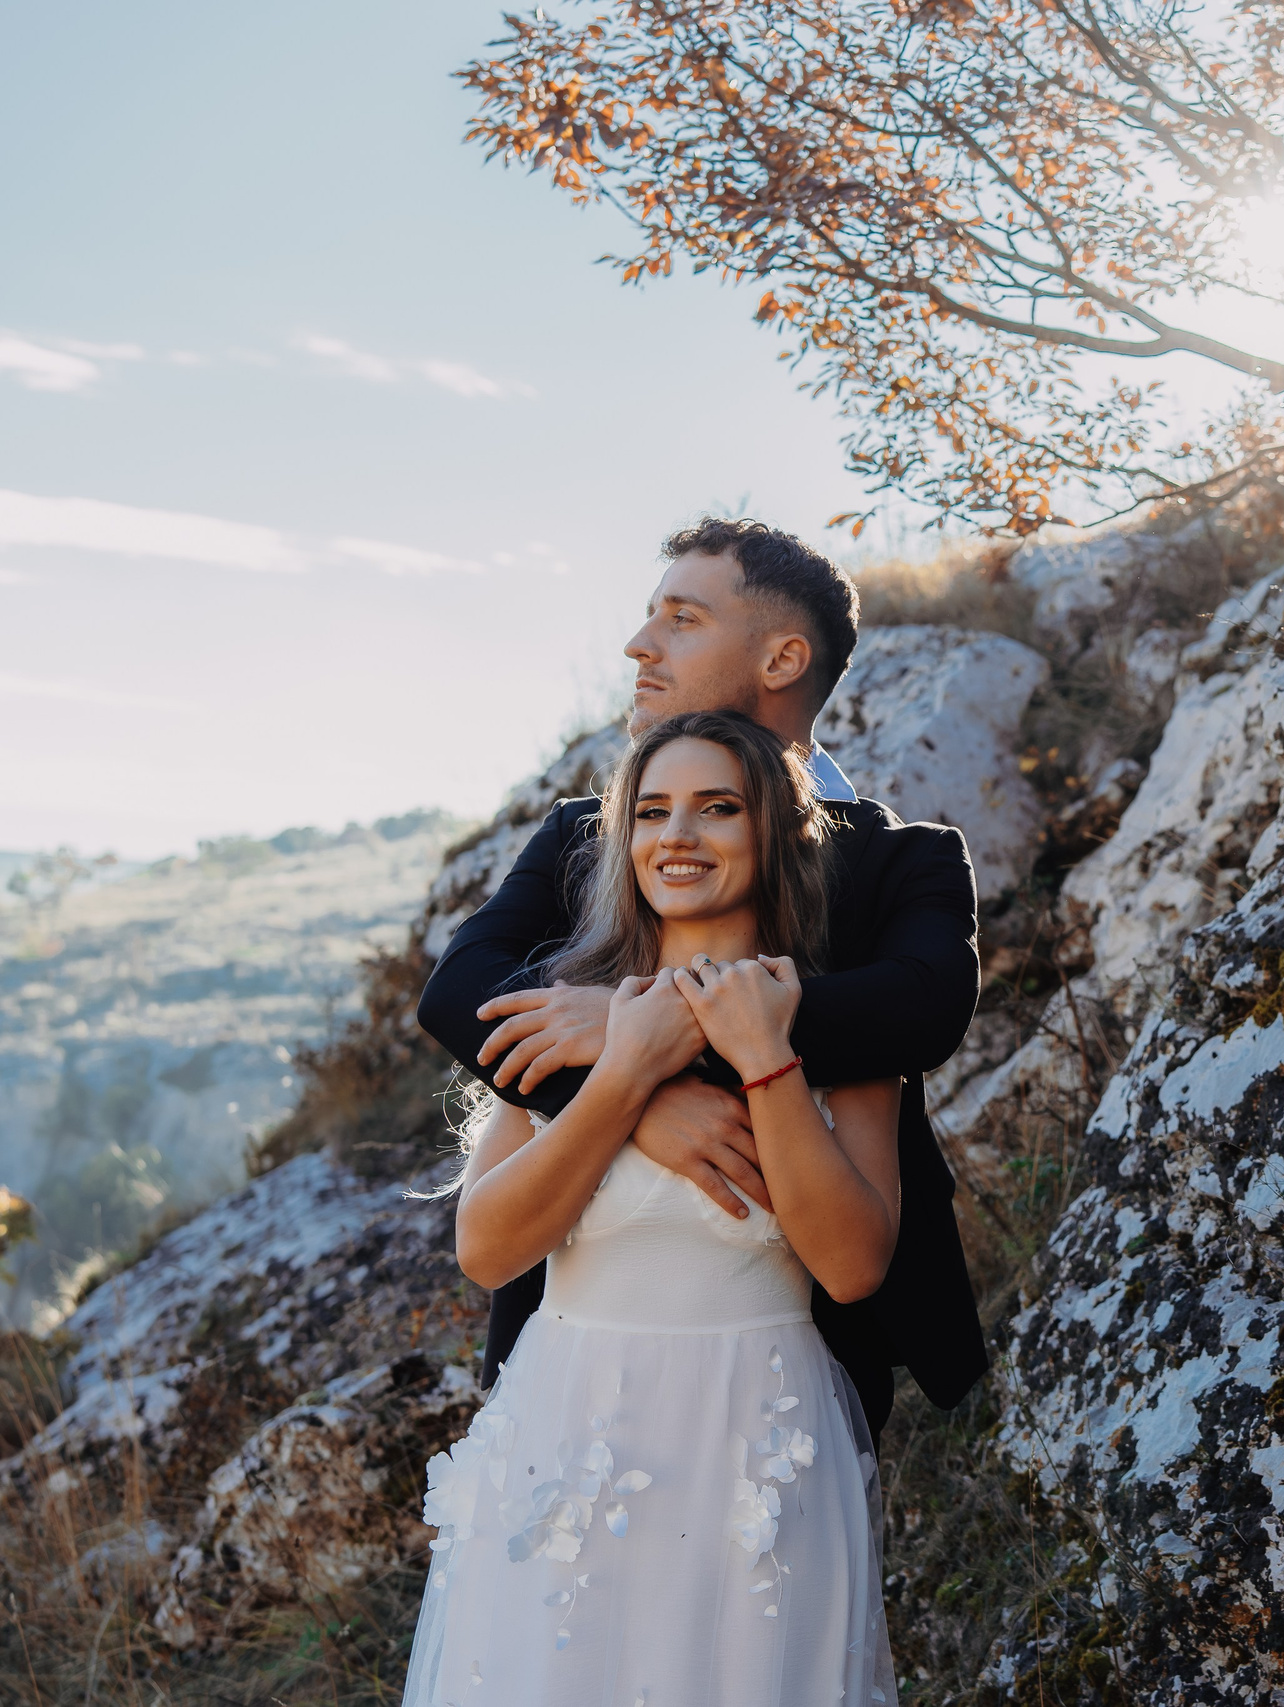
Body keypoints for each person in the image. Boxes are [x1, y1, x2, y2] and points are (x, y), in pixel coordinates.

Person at [416, 520, 987, 1434]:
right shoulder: (586, 834)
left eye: (681, 618)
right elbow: (457, 993)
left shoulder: (900, 862)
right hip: (574, 1359)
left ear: (782, 657)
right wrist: (634, 1098)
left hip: (800, 1373)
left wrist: (638, 1024)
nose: (640, 645)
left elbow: (921, 1010)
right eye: (651, 617)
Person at [405, 712, 898, 1705]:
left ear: (775, 836)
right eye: (652, 811)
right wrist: (625, 1078)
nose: (678, 835)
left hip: (754, 1443)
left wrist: (766, 1058)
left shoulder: (841, 1023)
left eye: (718, 808)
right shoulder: (565, 1010)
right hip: (567, 1429)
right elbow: (490, 1249)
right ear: (623, 841)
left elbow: (851, 1267)